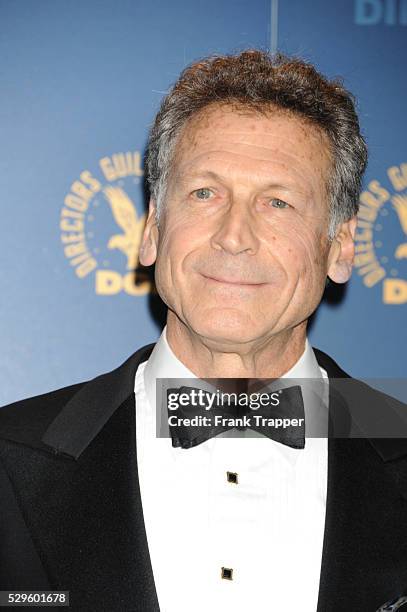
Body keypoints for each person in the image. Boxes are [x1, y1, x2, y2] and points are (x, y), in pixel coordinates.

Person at [1, 49, 406, 612]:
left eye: (278, 201)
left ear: (340, 247)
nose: (234, 235)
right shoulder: (9, 458)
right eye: (205, 193)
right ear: (151, 230)